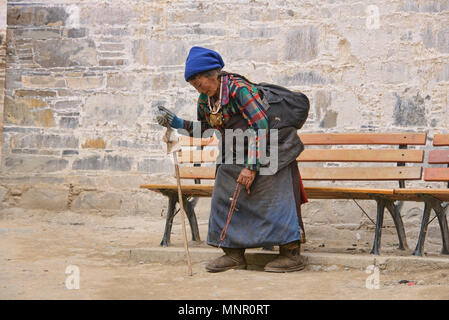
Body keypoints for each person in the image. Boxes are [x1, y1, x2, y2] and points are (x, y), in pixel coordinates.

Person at [157, 46, 308, 273]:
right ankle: (233, 254)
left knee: (273, 197)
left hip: (273, 145)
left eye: (198, 82)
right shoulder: (205, 100)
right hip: (237, 149)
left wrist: (251, 167)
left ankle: (291, 253)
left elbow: (260, 126)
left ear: (212, 74)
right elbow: (207, 129)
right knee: (224, 193)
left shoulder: (239, 90)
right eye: (193, 84)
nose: (196, 87)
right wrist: (179, 123)